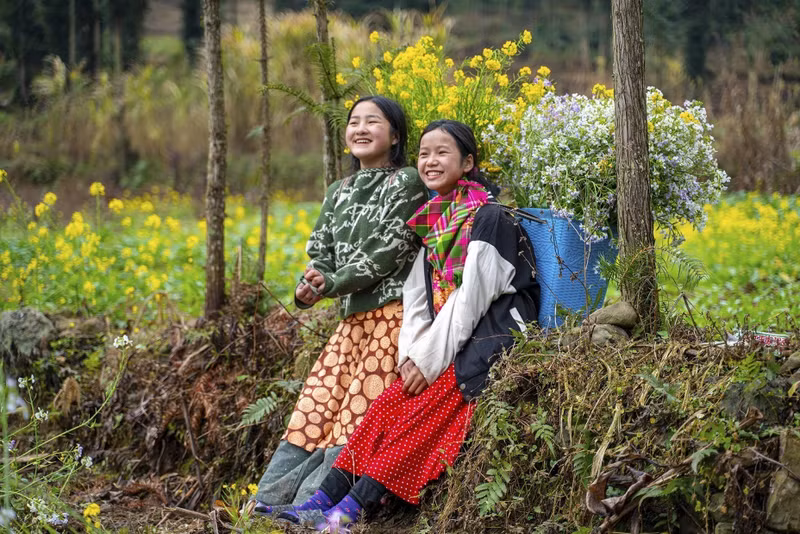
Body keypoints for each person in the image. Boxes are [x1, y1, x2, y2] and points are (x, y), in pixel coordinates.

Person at [279, 119, 540, 530]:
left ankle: (349, 512)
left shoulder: (489, 218)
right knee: (388, 404)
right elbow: (418, 297)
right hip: (451, 336)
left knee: (424, 411)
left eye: (442, 152)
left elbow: (470, 299)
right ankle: (321, 498)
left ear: (468, 162)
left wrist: (429, 360)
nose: (430, 161)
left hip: (493, 331)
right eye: (424, 153)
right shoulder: (433, 220)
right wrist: (409, 357)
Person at [251, 96, 427, 513]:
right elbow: (321, 252)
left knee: (356, 415)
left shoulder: (405, 182)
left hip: (391, 316)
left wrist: (332, 282)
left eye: (373, 122)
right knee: (315, 409)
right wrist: (309, 286)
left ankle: (322, 506)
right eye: (353, 123)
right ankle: (269, 503)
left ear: (396, 136)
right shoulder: (339, 191)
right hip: (351, 324)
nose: (360, 129)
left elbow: (389, 250)